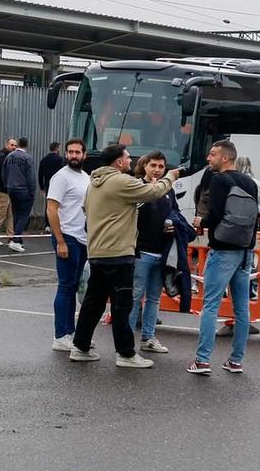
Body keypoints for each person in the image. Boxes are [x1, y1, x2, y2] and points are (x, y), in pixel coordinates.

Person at [70, 144, 185, 367]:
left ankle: (80, 346)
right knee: (123, 304)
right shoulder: (120, 181)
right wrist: (170, 176)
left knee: (94, 303)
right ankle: (126, 354)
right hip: (119, 252)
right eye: (126, 158)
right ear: (118, 162)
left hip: (97, 251)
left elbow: (87, 210)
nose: (130, 161)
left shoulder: (94, 183)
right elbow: (153, 192)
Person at [189, 139, 260, 375]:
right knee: (242, 308)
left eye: (212, 154)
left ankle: (202, 360)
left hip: (223, 249)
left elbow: (216, 213)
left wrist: (202, 222)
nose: (209, 159)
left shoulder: (219, 180)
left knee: (210, 305)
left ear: (225, 158)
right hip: (245, 250)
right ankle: (236, 360)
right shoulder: (249, 182)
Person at [44, 138, 91, 353]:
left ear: (84, 155)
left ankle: (70, 333)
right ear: (66, 154)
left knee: (73, 287)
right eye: (70, 152)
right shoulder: (60, 177)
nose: (73, 155)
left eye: (77, 152)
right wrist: (60, 240)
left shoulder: (85, 178)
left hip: (81, 238)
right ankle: (60, 335)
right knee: (65, 287)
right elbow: (51, 209)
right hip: (67, 237)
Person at [130, 152, 176, 355]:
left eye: (161, 166)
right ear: (144, 166)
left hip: (161, 251)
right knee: (134, 296)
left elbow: (174, 212)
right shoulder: (137, 187)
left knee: (154, 298)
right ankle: (127, 340)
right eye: (153, 165)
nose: (157, 170)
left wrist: (174, 224)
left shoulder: (168, 189)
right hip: (140, 251)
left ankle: (148, 337)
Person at [2, 136, 36, 254]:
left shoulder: (9, 156)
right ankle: (16, 239)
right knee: (24, 216)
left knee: (16, 214)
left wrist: (7, 185)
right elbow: (31, 177)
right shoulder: (27, 158)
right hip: (24, 190)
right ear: (26, 145)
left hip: (11, 189)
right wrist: (32, 192)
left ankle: (18, 240)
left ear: (18, 144)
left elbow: (4, 173)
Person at [0, 137, 18, 246]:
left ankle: (11, 237)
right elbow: (6, 172)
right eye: (12, 145)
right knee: (0, 214)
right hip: (1, 190)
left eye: (15, 145)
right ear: (6, 145)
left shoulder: (9, 157)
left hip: (8, 190)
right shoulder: (1, 157)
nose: (14, 147)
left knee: (10, 215)